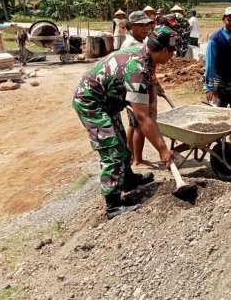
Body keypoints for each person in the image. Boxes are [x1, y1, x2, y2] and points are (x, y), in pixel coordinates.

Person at [72, 26, 178, 219]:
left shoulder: (146, 55)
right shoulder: (136, 69)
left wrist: (152, 103)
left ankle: (127, 179)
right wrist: (163, 149)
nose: (172, 58)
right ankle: (113, 204)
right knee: (111, 148)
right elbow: (141, 118)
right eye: (172, 53)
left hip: (107, 103)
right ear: (164, 51)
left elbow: (152, 81)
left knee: (120, 139)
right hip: (91, 102)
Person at [121, 11, 159, 169]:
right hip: (133, 88)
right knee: (139, 124)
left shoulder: (139, 41)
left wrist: (156, 84)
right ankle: (138, 159)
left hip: (134, 86)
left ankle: (131, 155)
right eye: (140, 25)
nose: (146, 28)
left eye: (147, 24)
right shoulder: (131, 44)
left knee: (133, 123)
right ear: (131, 27)